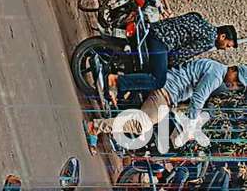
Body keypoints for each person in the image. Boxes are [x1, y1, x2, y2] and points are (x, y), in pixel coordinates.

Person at [85, 62, 246, 153]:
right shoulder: (216, 75)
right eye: (237, 80)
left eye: (238, 86)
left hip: (169, 93)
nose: (234, 85)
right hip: (166, 92)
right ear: (233, 69)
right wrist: (191, 122)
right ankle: (95, 127)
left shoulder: (215, 67)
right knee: (142, 124)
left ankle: (110, 125)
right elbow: (199, 97)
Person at [106, 13, 238, 102]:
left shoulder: (198, 17)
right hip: (161, 42)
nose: (225, 49)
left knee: (150, 70)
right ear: (222, 36)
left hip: (153, 29)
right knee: (158, 80)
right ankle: (116, 81)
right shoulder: (209, 40)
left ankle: (119, 87)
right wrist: (169, 65)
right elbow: (182, 54)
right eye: (227, 45)